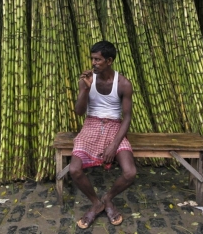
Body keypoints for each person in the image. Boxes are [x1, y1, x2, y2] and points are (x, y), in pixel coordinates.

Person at [69, 41, 137, 229]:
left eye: (97, 59)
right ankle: (96, 203)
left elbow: (127, 117)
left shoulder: (123, 83)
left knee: (130, 172)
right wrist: (85, 89)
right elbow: (79, 112)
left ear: (109, 60)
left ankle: (107, 198)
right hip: (91, 124)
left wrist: (114, 145)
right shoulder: (87, 80)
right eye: (92, 58)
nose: (93, 63)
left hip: (115, 127)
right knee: (74, 170)